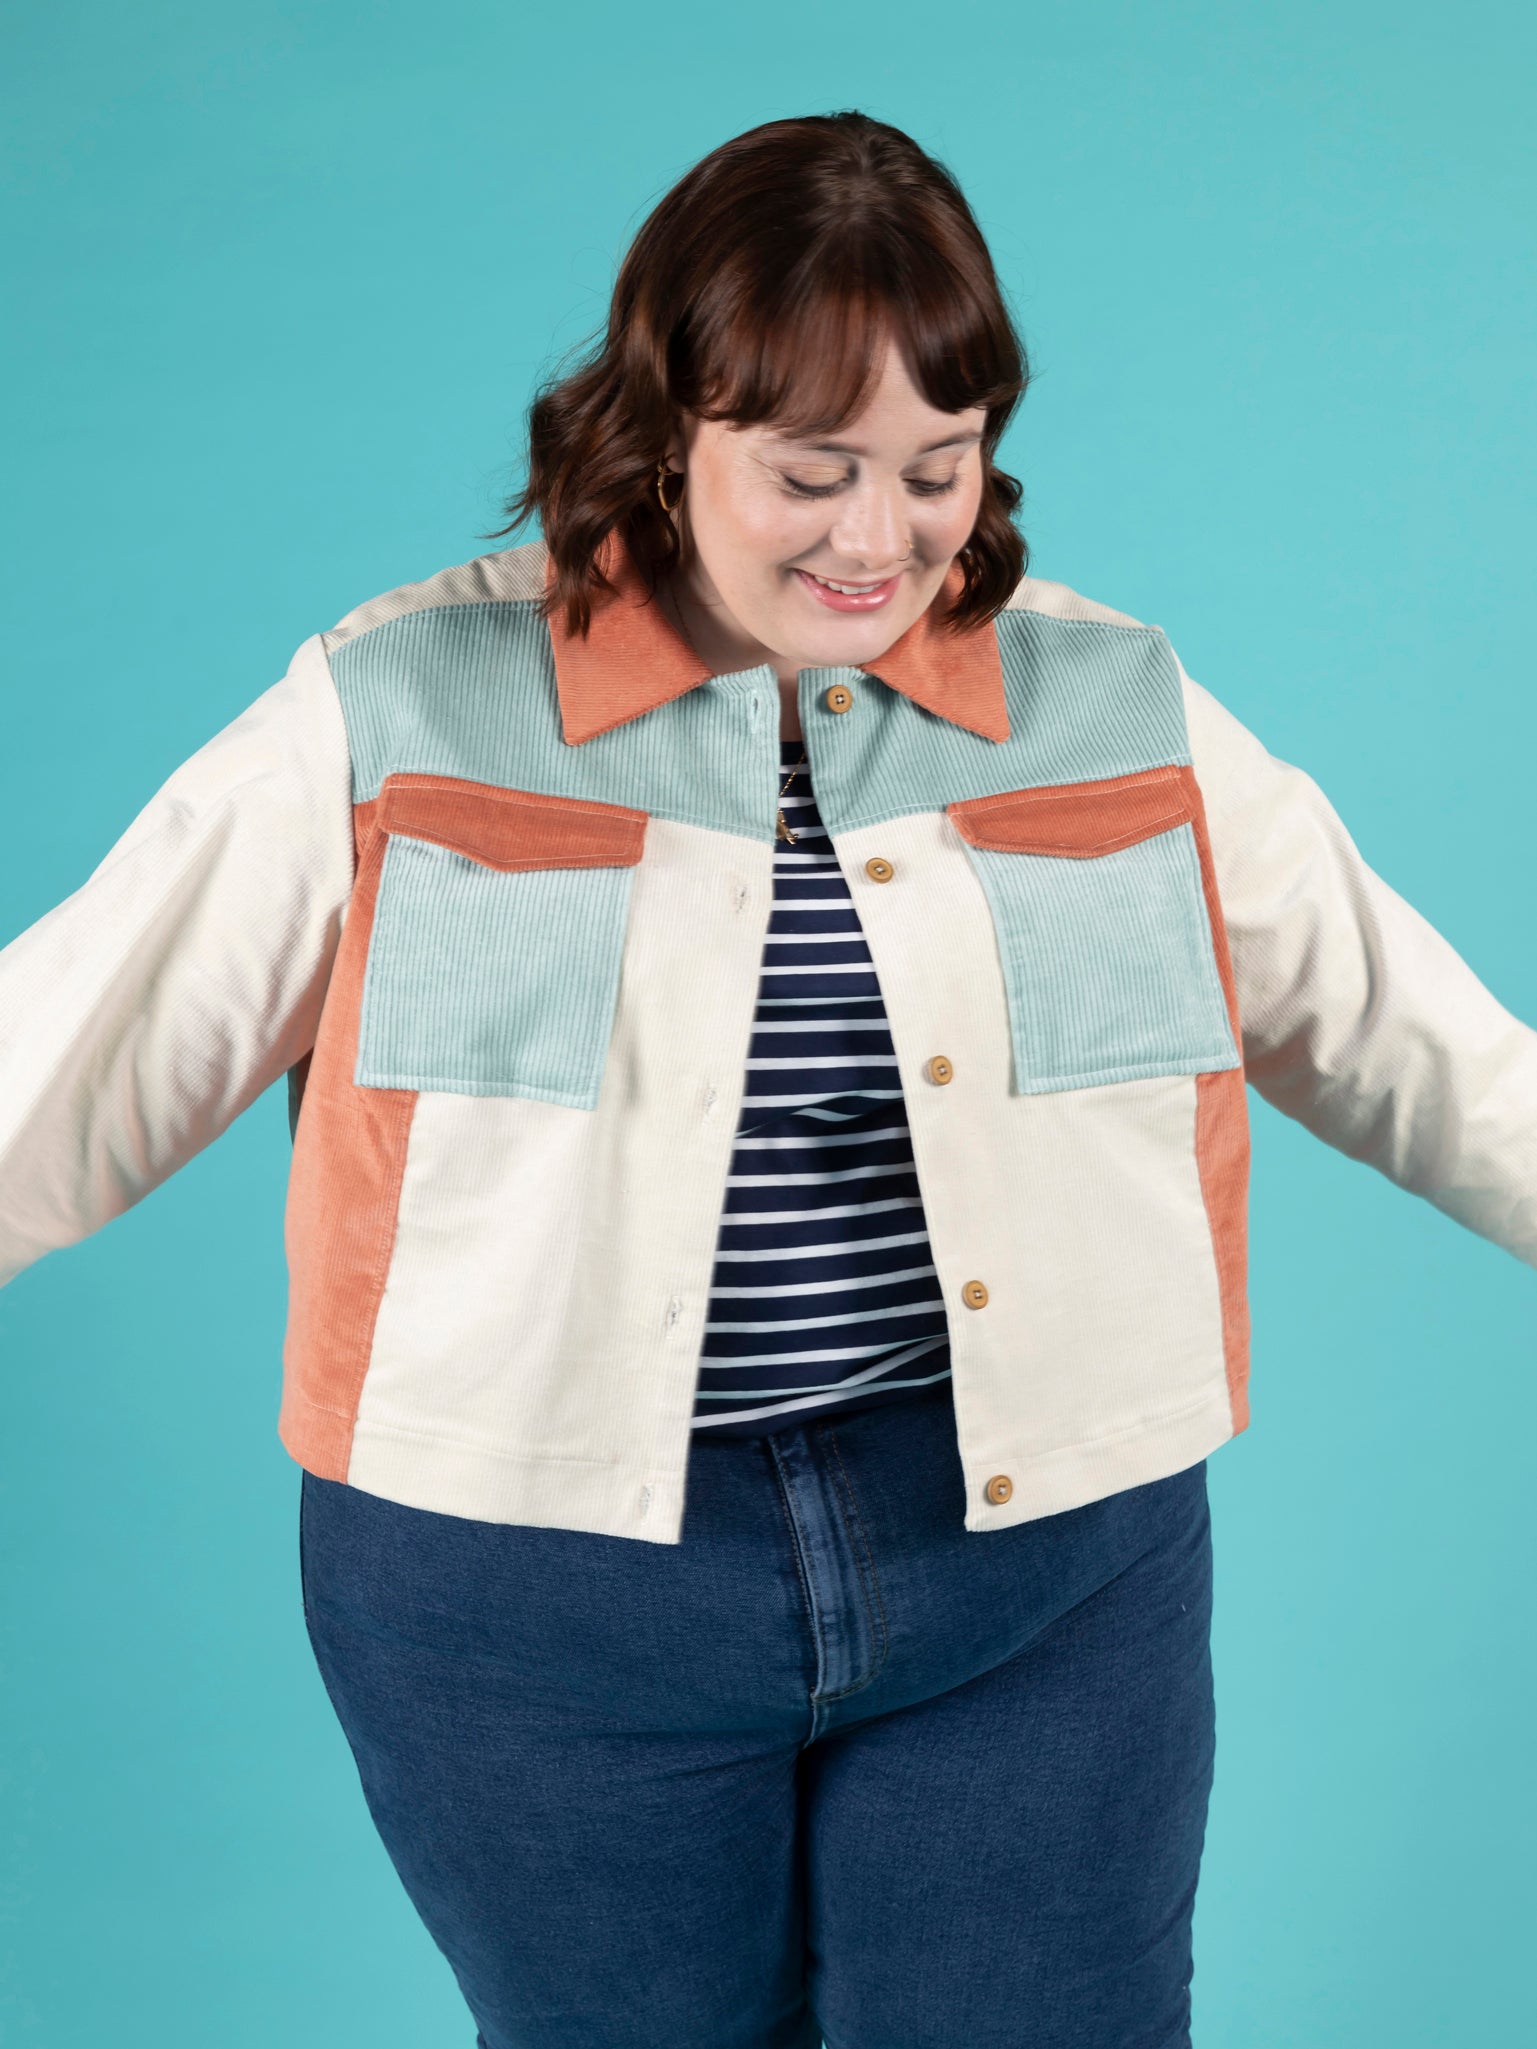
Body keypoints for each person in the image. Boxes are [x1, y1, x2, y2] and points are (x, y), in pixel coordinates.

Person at [0, 108, 1532, 2049]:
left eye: (935, 468)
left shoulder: (1112, 707)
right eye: (812, 472)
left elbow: (1420, 1044)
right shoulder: (395, 713)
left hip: (1037, 1575)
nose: (879, 540)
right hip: (537, 1603)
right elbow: (59, 1069)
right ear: (667, 427)